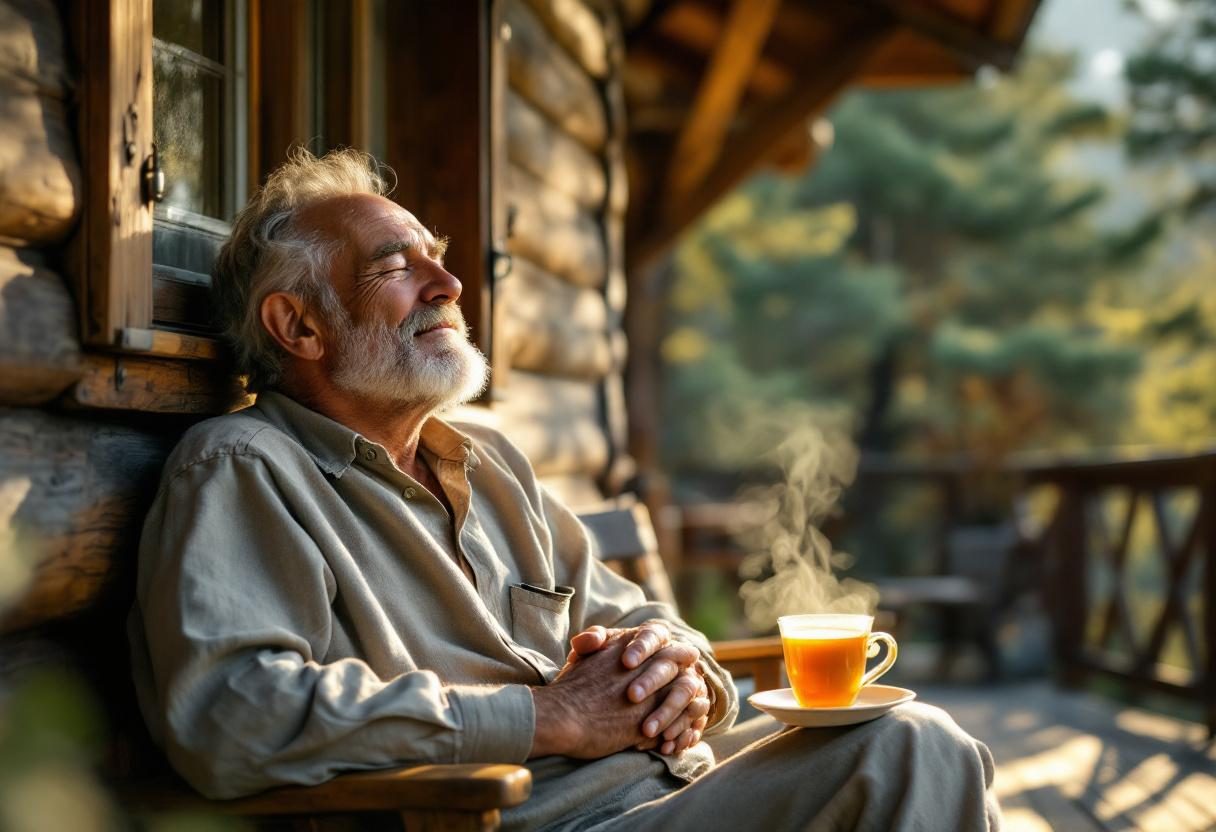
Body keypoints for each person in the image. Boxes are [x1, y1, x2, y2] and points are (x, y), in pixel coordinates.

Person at [129, 149, 1001, 831]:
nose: (449, 285)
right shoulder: (244, 466)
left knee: (928, 748)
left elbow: (640, 621)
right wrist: (543, 719)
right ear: (300, 326)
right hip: (517, 822)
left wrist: (686, 674)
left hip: (663, 796)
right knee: (908, 754)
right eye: (398, 266)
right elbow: (230, 717)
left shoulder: (487, 461)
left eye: (439, 257)